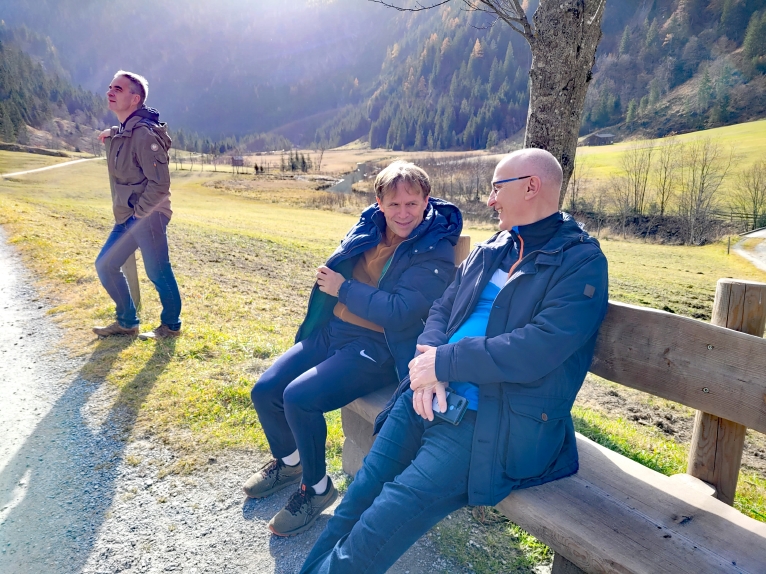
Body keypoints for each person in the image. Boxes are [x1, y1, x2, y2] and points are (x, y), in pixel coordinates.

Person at [301, 148, 609, 573]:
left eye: (497, 188)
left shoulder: (580, 262)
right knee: (358, 498)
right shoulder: (494, 248)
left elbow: (540, 347)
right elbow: (442, 309)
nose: (490, 199)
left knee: (381, 521)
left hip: (488, 421)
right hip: (426, 395)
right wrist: (429, 370)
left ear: (531, 187)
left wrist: (444, 364)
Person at [244, 161, 463, 537]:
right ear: (379, 203)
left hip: (378, 347)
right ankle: (291, 462)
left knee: (299, 398)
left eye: (412, 203)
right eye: (394, 205)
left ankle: (316, 490)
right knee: (265, 391)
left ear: (426, 201)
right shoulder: (370, 223)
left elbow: (400, 311)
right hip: (333, 330)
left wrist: (342, 288)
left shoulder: (435, 248)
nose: (403, 213)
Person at [92, 70, 182, 340]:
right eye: (110, 87)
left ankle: (171, 326)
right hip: (128, 215)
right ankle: (127, 322)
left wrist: (139, 215)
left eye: (118, 89)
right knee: (106, 265)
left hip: (148, 214)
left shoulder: (144, 134)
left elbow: (160, 184)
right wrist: (113, 133)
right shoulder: (126, 130)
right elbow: (126, 138)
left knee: (157, 271)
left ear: (135, 99)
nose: (110, 92)